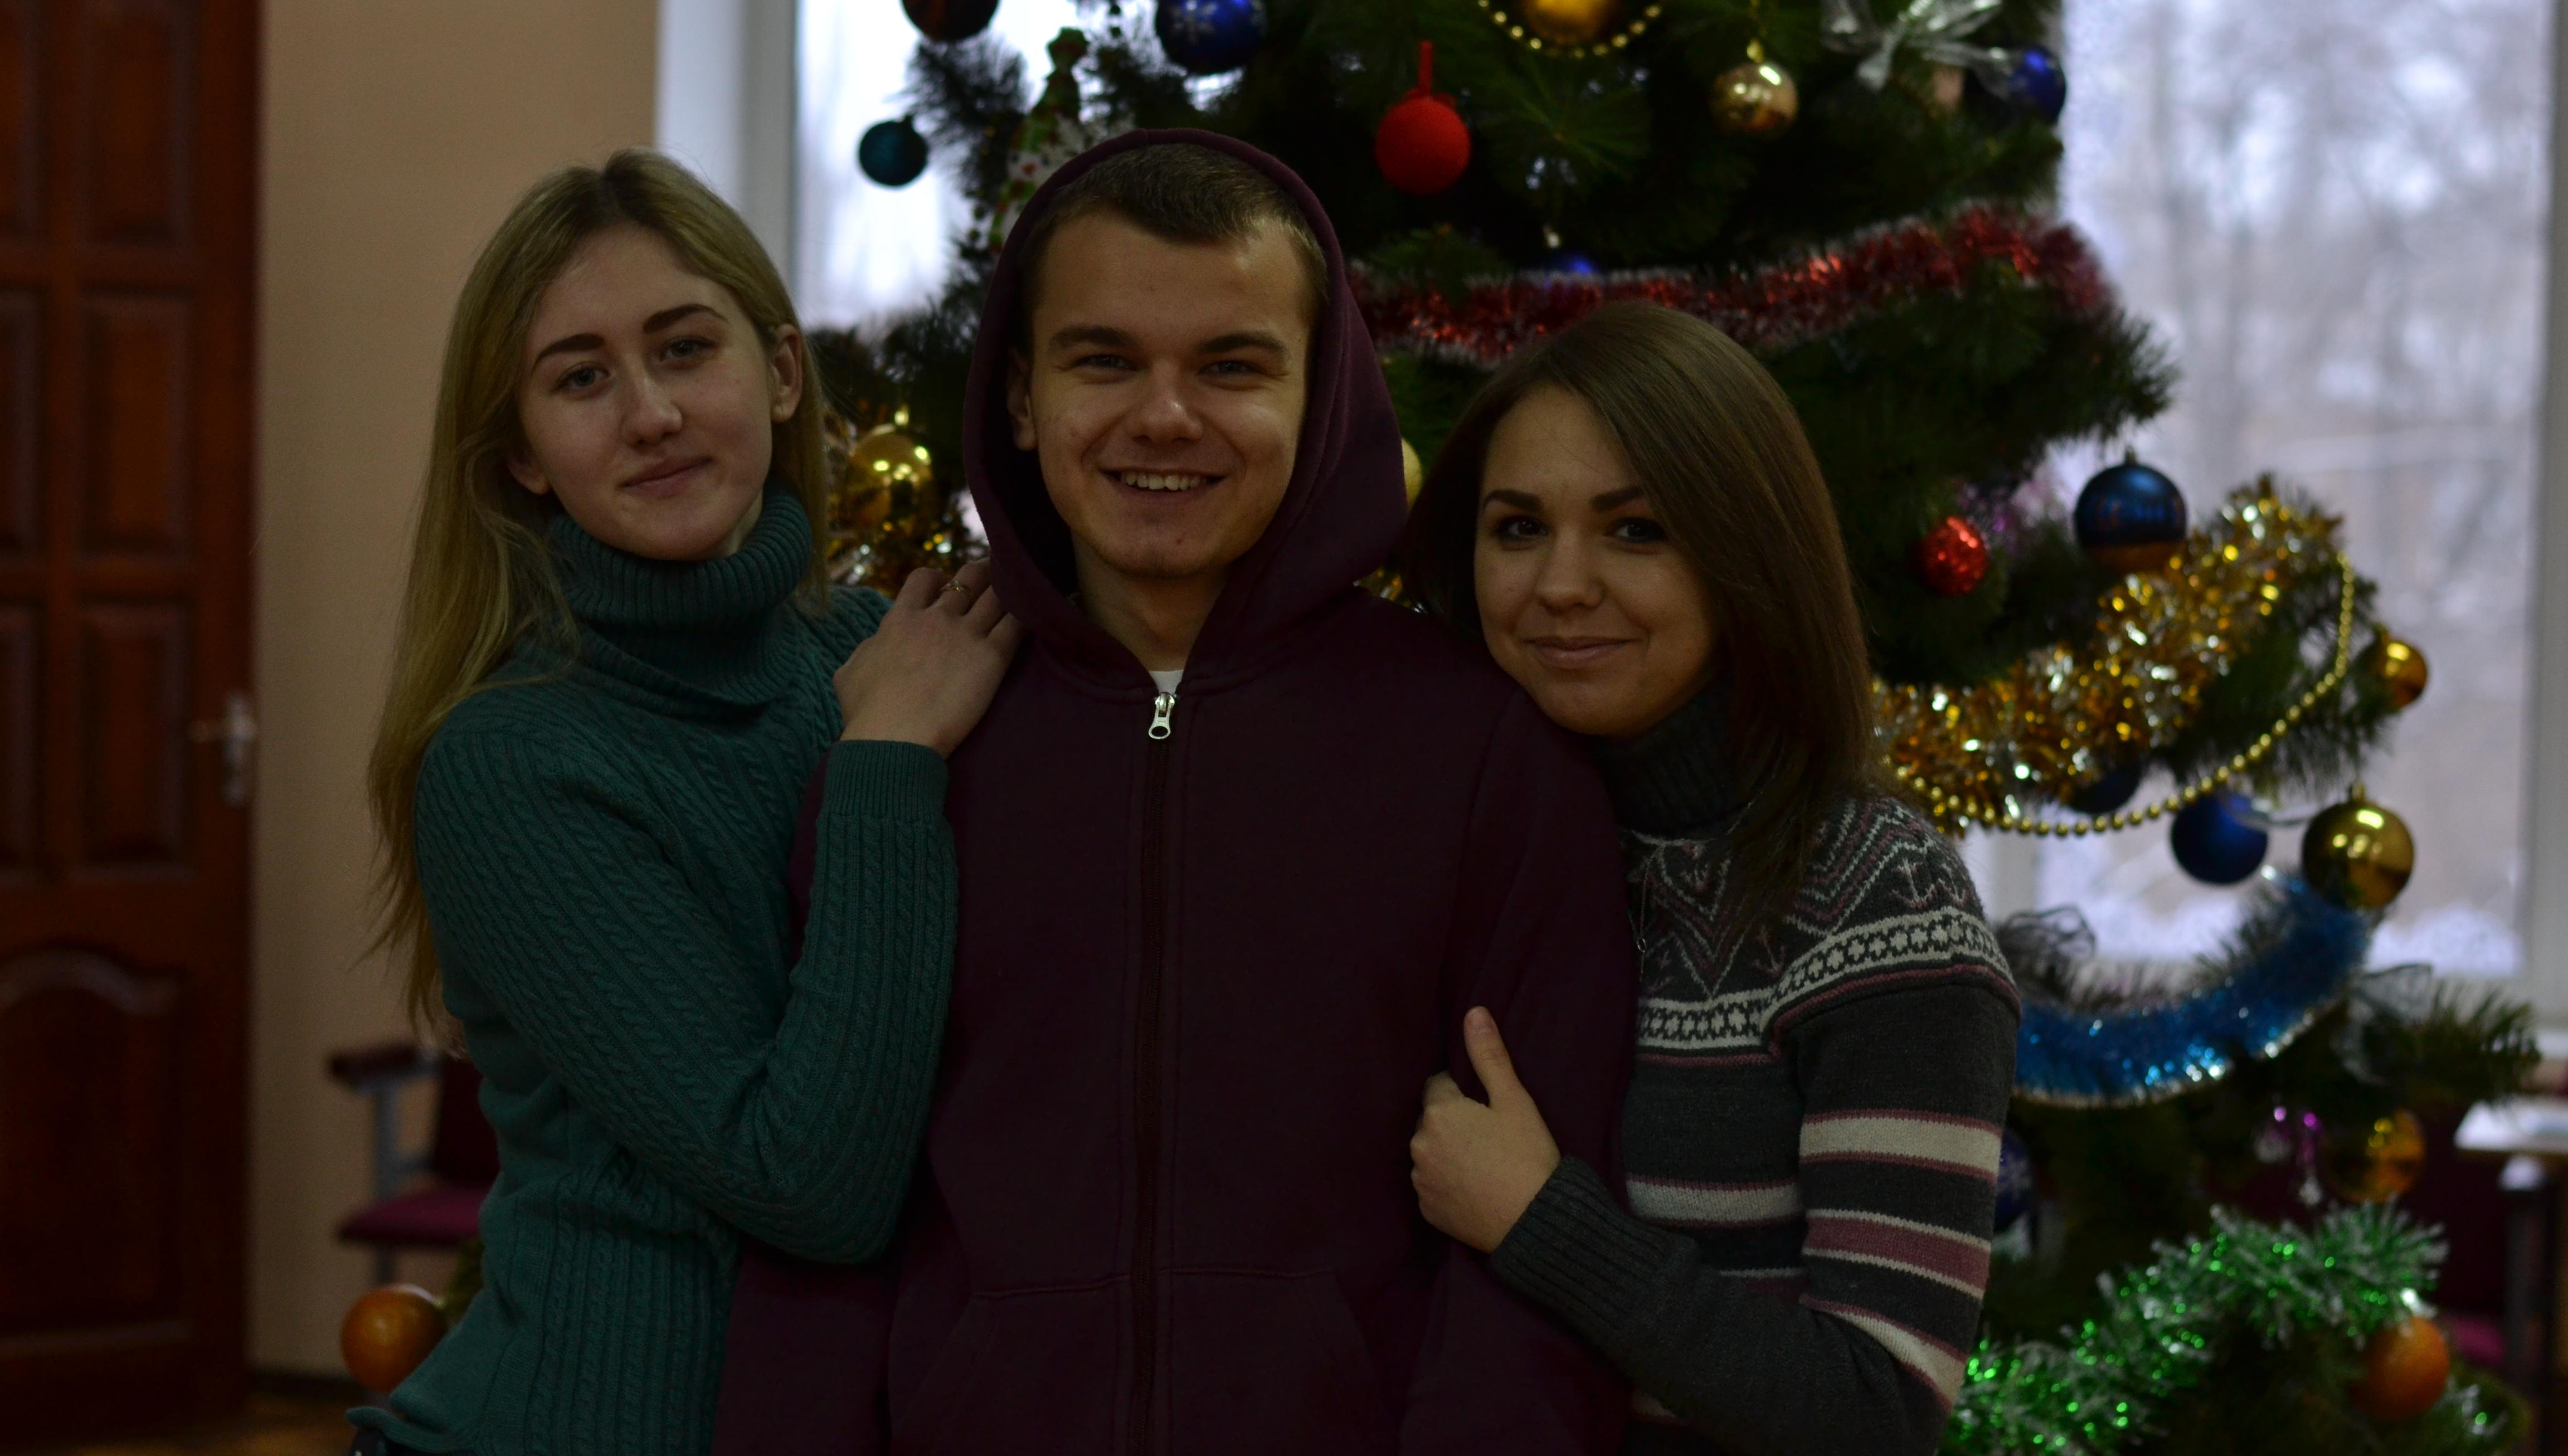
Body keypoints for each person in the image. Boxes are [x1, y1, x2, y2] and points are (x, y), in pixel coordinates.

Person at [716, 132, 1636, 1454]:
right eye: (1104, 361)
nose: (1163, 417)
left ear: (1320, 398)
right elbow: (824, 1228)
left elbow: (1536, 1262)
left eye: (1231, 366)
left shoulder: (1484, 750)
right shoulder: (904, 743)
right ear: (1021, 397)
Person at [354, 150, 1019, 1456]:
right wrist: (887, 758)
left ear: (781, 373)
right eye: (581, 379)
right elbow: (809, 1185)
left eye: (684, 349)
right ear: (525, 455)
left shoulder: (891, 650)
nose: (651, 413)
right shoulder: (512, 758)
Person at [1400, 303, 2019, 1456]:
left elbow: (1878, 1412)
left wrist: (1542, 1221)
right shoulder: (1456, 853)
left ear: (1747, 554)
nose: (1562, 584)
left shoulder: (1881, 899)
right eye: (1518, 528)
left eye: (1636, 531)